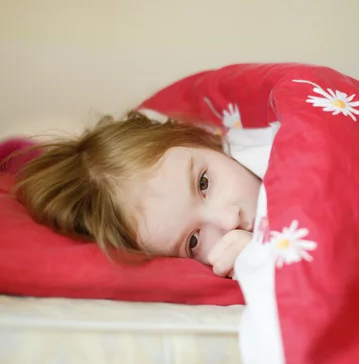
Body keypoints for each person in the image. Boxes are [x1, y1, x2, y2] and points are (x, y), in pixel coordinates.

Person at [13, 111, 261, 278]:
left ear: (203, 138)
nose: (229, 221)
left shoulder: (267, 142)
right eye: (193, 241)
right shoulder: (251, 258)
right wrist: (264, 261)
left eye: (203, 183)